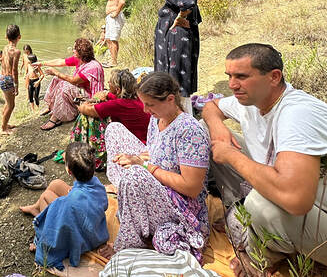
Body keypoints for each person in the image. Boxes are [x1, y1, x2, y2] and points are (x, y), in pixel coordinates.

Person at [202, 43, 327, 276]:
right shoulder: (253, 101)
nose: (232, 85)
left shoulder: (296, 115)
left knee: (260, 203)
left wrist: (232, 156)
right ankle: (246, 220)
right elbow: (211, 106)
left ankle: (260, 257)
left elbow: (296, 199)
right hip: (314, 210)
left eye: (242, 76)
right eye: (230, 76)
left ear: (274, 77)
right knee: (205, 133)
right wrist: (217, 127)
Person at [104, 71, 210, 262]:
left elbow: (192, 188)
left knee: (134, 176)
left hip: (181, 203)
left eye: (150, 105)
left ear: (171, 99)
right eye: (143, 103)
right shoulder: (156, 118)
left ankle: (128, 245)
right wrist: (136, 157)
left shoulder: (190, 131)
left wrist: (145, 166)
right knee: (114, 130)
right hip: (158, 178)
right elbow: (156, 152)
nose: (145, 110)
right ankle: (130, 196)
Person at [19, 142, 109, 272]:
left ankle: (39, 236)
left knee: (46, 195)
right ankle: (35, 207)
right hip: (91, 221)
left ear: (68, 171)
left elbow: (61, 224)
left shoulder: (67, 204)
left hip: (86, 237)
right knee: (56, 184)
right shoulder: (96, 183)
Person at [75, 69, 151, 171]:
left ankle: (96, 158)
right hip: (146, 139)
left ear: (118, 90)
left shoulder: (119, 104)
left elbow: (86, 110)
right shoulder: (136, 96)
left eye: (110, 82)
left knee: (88, 117)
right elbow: (107, 95)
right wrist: (104, 96)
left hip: (138, 145)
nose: (108, 83)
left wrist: (81, 104)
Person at [154, 0, 201, 114]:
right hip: (185, 40)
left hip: (177, 42)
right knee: (182, 77)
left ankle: (178, 117)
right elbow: (196, 18)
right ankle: (183, 114)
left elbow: (188, 4)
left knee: (175, 80)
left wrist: (180, 17)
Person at [36, 38, 105, 131]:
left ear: (81, 52)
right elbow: (60, 62)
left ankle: (56, 118)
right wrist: (42, 63)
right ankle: (52, 106)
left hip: (91, 97)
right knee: (57, 79)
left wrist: (56, 72)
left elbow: (73, 81)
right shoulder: (79, 59)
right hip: (81, 90)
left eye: (74, 49)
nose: (73, 50)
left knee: (66, 86)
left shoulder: (91, 67)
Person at [0, 24, 21, 134]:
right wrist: (16, 86)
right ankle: (3, 128)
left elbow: (3, 61)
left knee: (7, 103)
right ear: (19, 37)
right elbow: (14, 71)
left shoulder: (5, 48)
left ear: (6, 37)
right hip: (8, 80)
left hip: (1, 78)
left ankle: (5, 123)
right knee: (11, 105)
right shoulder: (16, 51)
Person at [104, 0, 125, 66]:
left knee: (113, 39)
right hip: (110, 17)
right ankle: (112, 59)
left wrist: (116, 12)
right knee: (108, 39)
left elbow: (122, 1)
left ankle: (114, 61)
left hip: (115, 17)